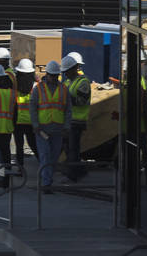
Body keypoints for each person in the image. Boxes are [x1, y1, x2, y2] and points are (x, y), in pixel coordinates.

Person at [30, 60, 71, 193]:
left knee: (53, 157)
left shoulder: (64, 89)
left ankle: (48, 180)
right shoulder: (39, 89)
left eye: (56, 75)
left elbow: (68, 109)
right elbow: (33, 108)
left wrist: (66, 126)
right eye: (52, 75)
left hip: (58, 129)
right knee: (45, 155)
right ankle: (46, 183)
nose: (54, 78)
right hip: (42, 129)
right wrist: (35, 125)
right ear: (47, 74)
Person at [61, 53, 91, 181]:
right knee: (68, 148)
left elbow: (81, 101)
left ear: (74, 68)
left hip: (77, 121)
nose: (64, 74)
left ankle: (73, 175)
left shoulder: (83, 82)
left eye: (66, 71)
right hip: (68, 121)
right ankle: (80, 170)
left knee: (73, 149)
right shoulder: (68, 82)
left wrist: (66, 98)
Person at [12, 58, 40, 174]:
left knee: (19, 146)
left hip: (18, 120)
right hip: (31, 121)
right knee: (34, 145)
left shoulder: (15, 84)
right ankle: (44, 165)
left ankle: (20, 168)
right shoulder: (36, 86)